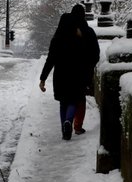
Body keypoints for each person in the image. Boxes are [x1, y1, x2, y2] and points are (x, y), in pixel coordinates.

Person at [39, 11, 97, 140]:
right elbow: (87, 57)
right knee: (73, 101)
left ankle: (65, 130)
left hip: (60, 75)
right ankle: (69, 121)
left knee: (63, 103)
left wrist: (43, 78)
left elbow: (50, 60)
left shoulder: (56, 39)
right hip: (76, 75)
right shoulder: (78, 38)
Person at [69, 4, 101, 135]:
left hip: (68, 70)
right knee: (80, 98)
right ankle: (77, 126)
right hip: (84, 71)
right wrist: (90, 66)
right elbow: (96, 53)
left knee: (69, 97)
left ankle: (67, 122)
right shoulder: (89, 32)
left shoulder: (65, 30)